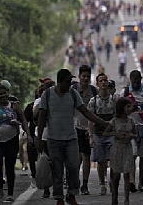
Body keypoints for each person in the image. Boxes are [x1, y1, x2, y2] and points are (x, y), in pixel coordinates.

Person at [36, 68, 110, 205]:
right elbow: (41, 117)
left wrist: (102, 122)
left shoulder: (73, 94)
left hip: (71, 137)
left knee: (74, 166)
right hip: (53, 138)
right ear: (60, 81)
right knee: (57, 169)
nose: (70, 83)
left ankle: (71, 194)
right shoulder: (47, 95)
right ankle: (59, 197)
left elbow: (85, 112)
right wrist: (39, 138)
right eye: (67, 81)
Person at [87, 73, 117, 196]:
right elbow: (90, 120)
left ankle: (112, 182)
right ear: (97, 84)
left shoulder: (114, 100)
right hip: (98, 134)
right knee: (100, 161)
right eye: (101, 81)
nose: (104, 83)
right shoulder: (93, 101)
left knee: (113, 160)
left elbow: (117, 117)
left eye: (105, 80)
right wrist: (90, 136)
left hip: (111, 134)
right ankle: (102, 184)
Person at [103, 97, 137, 205]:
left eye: (130, 106)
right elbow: (105, 133)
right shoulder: (114, 121)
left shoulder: (131, 120)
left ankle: (126, 199)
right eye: (128, 106)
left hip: (127, 148)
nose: (130, 108)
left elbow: (134, 133)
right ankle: (115, 195)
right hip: (117, 149)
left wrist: (130, 136)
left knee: (127, 174)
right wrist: (115, 134)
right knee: (116, 175)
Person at [72, 65, 98, 195]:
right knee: (76, 158)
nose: (86, 79)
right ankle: (74, 181)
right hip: (74, 127)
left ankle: (85, 184)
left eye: (88, 76)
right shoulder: (73, 90)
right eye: (84, 76)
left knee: (86, 156)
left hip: (88, 129)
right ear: (79, 76)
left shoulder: (93, 91)